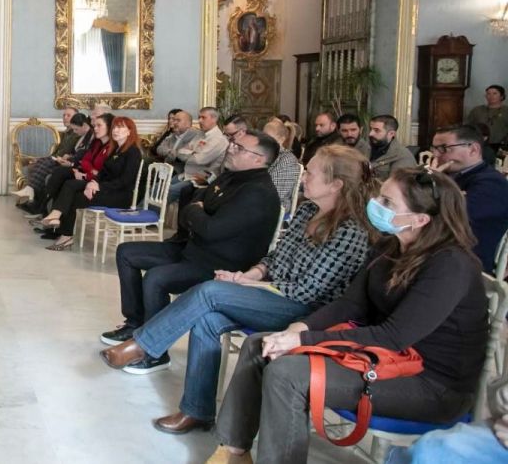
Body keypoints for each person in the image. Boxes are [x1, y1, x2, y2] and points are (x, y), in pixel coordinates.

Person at [209, 168, 490, 464]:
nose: (375, 204)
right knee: (259, 346)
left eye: (388, 202)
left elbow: (394, 336)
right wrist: (297, 329)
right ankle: (233, 452)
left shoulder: (451, 265)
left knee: (287, 374)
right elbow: (350, 304)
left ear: (420, 219)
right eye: (380, 197)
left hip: (430, 382)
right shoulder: (389, 245)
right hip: (382, 357)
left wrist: (303, 340)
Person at [104, 146, 374, 435]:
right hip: (274, 294)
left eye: (310, 173)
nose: (303, 177)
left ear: (335, 185)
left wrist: (248, 284)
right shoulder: (308, 210)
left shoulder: (350, 230)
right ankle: (196, 411)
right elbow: (276, 258)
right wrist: (249, 275)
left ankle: (144, 345)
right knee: (208, 320)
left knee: (210, 292)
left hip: (307, 314)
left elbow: (307, 292)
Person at [100, 130, 283, 368]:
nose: (230, 149)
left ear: (259, 159)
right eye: (233, 144)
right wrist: (199, 212)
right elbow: (194, 204)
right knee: (127, 252)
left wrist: (198, 212)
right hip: (193, 248)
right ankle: (135, 325)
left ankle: (155, 352)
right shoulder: (231, 176)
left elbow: (210, 227)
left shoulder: (257, 191)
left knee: (156, 278)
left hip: (219, 265)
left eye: (239, 148)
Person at [43, 116, 144, 250]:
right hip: (107, 189)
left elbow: (125, 181)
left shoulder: (133, 152)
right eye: (114, 127)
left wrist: (99, 186)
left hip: (120, 196)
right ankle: (56, 216)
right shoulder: (116, 149)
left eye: (120, 127)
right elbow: (102, 172)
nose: (115, 130)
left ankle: (66, 235)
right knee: (71, 184)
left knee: (77, 198)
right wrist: (92, 183)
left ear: (129, 131)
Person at [429, 124, 508, 274]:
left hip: (464, 263)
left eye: (444, 148)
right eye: (434, 148)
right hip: (437, 250)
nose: (435, 155)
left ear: (473, 149)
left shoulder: (491, 183)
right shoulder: (448, 175)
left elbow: (452, 218)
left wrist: (432, 188)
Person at [387, 370, 508, 463]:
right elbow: (499, 397)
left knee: (432, 451)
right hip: (498, 429)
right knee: (431, 448)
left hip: (446, 388)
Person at [32, 113, 113, 230]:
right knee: (60, 172)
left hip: (94, 180)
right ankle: (49, 214)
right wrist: (88, 170)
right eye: (94, 125)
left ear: (109, 126)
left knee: (69, 184)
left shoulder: (111, 147)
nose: (95, 128)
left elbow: (102, 171)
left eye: (98, 125)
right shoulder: (97, 142)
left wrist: (86, 175)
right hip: (85, 172)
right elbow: (85, 160)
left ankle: (51, 217)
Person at [17, 113, 91, 211]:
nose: (74, 131)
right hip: (66, 161)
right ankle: (33, 199)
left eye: (76, 129)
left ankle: (38, 203)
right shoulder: (80, 136)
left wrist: (70, 160)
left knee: (48, 168)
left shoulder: (88, 137)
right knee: (43, 162)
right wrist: (68, 157)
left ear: (84, 125)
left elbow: (82, 156)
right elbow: (73, 152)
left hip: (73, 166)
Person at [12, 107, 80, 201]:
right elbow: (55, 152)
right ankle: (33, 199)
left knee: (38, 165)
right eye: (64, 115)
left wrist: (48, 158)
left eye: (68, 115)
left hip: (64, 162)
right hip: (56, 159)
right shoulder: (65, 133)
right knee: (33, 165)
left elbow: (66, 152)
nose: (65, 118)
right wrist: (41, 159)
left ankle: (33, 197)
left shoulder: (76, 134)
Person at [167, 107, 229, 202]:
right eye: (199, 117)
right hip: (186, 174)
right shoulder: (200, 134)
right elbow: (181, 151)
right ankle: (144, 209)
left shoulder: (218, 139)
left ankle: (148, 211)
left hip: (199, 179)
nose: (199, 121)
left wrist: (190, 151)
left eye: (203, 118)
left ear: (214, 119)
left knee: (166, 191)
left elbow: (198, 160)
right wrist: (192, 152)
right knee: (159, 186)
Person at [261, 119, 302, 214]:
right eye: (262, 137)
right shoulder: (264, 155)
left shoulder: (287, 160)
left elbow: (276, 195)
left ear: (281, 139)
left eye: (268, 137)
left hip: (274, 208)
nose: (263, 141)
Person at [366, 114, 415, 181]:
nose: (370, 134)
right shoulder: (366, 149)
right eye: (370, 129)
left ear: (391, 134)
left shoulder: (402, 156)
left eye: (376, 130)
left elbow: (396, 185)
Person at [155, 110, 198, 176]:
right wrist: (170, 151)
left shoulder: (195, 136)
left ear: (188, 124)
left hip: (182, 173)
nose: (174, 123)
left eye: (178, 120)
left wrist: (174, 154)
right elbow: (159, 149)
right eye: (174, 120)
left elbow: (186, 157)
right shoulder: (172, 135)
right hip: (166, 170)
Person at [468, 84, 507, 153]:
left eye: (494, 93)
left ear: (502, 96)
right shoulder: (477, 110)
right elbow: (469, 127)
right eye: (488, 94)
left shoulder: (506, 111)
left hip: (502, 146)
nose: (491, 96)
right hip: (480, 144)